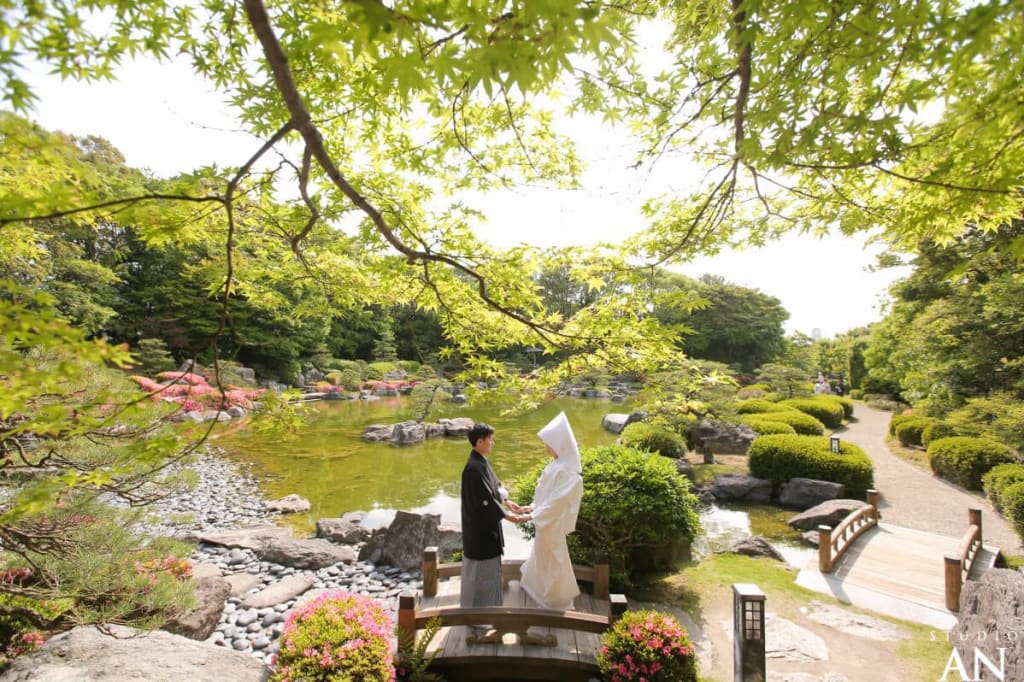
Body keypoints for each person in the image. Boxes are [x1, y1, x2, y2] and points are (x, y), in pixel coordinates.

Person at [459, 422, 528, 638]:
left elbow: (496, 488)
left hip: (486, 528)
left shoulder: (481, 463)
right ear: (479, 442)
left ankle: (487, 613)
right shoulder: (473, 468)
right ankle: (477, 618)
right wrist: (508, 516)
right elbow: (485, 500)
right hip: (479, 531)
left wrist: (509, 503)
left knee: (489, 573)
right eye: (490, 439)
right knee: (480, 574)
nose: (493, 443)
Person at [518, 411, 585, 612]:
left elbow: (557, 501)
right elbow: (546, 494)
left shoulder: (567, 471)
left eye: (549, 443)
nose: (546, 447)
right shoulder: (556, 464)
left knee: (554, 558)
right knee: (541, 555)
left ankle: (556, 600)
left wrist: (532, 515)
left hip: (552, 522)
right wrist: (530, 507)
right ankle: (540, 592)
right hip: (545, 521)